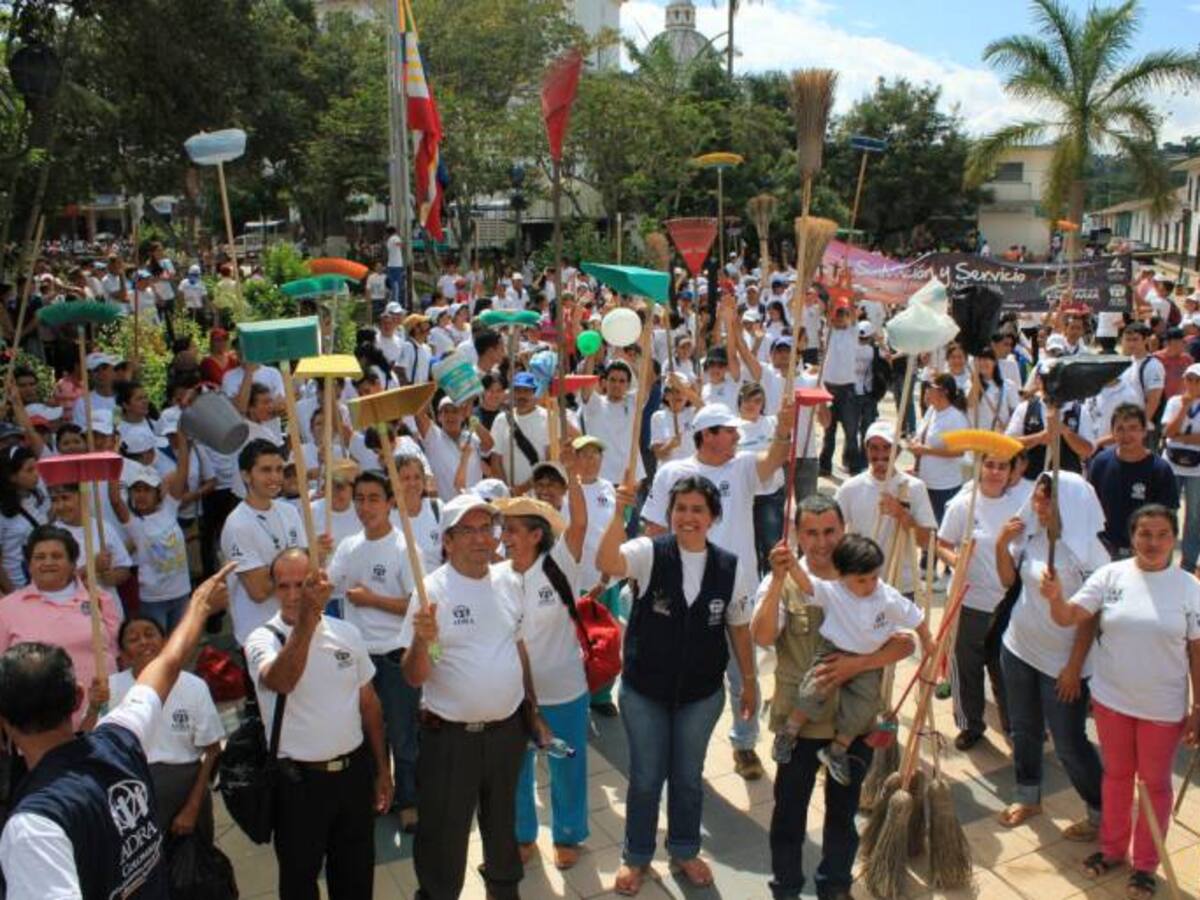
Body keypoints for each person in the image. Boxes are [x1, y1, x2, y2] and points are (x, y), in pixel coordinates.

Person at [0, 561, 232, 899]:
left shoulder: (34, 827)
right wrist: (198, 605)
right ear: (79, 695)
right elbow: (168, 665)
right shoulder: (119, 740)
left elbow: (165, 666)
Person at [596, 476, 756, 895]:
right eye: (680, 508)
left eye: (697, 509)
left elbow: (739, 628)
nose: (688, 517)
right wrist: (619, 513)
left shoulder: (729, 566)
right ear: (669, 514)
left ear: (713, 517)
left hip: (701, 695)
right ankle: (636, 856)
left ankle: (684, 849)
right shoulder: (650, 553)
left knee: (687, 777)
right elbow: (608, 563)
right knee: (647, 778)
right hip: (644, 691)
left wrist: (750, 683)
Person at [751, 495, 916, 900]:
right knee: (789, 811)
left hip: (854, 720)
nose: (821, 542)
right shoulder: (788, 581)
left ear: (844, 530)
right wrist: (776, 581)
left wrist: (857, 666)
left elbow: (904, 645)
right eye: (811, 533)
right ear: (797, 536)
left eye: (830, 531)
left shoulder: (865, 576)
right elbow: (762, 635)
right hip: (802, 720)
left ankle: (835, 886)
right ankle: (786, 886)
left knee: (843, 813)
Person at [1039, 505, 1200, 900]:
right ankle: (1112, 849)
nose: (1153, 542)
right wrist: (1056, 597)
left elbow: (1197, 651)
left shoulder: (1189, 588)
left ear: (1174, 538)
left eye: (1163, 534)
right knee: (1116, 778)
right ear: (1132, 536)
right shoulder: (1110, 575)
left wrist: (1199, 708)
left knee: (1155, 785)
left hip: (1162, 708)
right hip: (1112, 701)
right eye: (1145, 534)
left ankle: (1146, 864)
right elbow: (1068, 617)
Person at [399, 493, 552, 900]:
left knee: (503, 825)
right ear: (448, 540)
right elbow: (415, 677)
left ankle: (504, 891)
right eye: (469, 530)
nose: (481, 539)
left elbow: (518, 648)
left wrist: (533, 712)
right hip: (450, 739)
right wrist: (421, 639)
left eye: (488, 528)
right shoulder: (430, 593)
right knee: (444, 833)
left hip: (507, 732)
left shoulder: (508, 579)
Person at [641, 401, 795, 780]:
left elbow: (773, 460)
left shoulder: (742, 466)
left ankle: (744, 744)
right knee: (683, 673)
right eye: (728, 430)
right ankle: (678, 747)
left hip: (736, 588)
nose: (737, 435)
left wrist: (784, 428)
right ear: (707, 435)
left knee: (744, 675)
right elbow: (654, 530)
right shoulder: (674, 472)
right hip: (685, 592)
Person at [245, 548, 392, 900]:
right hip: (299, 784)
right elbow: (281, 681)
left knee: (356, 876)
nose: (295, 595)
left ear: (320, 582)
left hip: (352, 775)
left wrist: (382, 770)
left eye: (303, 584)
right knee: (299, 880)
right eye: (285, 586)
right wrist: (307, 623)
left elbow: (369, 705)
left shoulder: (347, 634)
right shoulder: (262, 640)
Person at [995, 472, 1107, 838]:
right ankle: (1028, 794)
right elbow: (1008, 581)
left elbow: (1091, 618)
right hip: (1019, 648)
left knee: (1069, 742)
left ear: (1070, 503)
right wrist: (1000, 545)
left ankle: (1101, 811)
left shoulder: (1090, 553)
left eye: (1046, 499)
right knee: (1023, 729)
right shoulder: (1032, 536)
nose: (1037, 506)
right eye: (1038, 498)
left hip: (1063, 664)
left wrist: (1074, 667)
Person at [769, 533, 931, 783]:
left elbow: (915, 617)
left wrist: (928, 641)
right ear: (842, 576)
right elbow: (806, 584)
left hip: (868, 661)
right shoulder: (833, 591)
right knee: (812, 690)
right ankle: (789, 732)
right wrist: (790, 564)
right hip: (833, 652)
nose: (870, 585)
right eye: (861, 580)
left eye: (874, 577)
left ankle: (836, 750)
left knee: (864, 707)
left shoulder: (886, 595)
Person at [495, 481, 589, 870]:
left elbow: (579, 525)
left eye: (513, 530)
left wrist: (573, 474)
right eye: (504, 529)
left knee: (566, 765)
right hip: (512, 697)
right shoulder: (495, 575)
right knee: (516, 772)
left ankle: (567, 835)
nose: (505, 538)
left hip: (564, 691)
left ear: (537, 535)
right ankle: (522, 835)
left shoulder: (559, 564)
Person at [327, 470, 419, 833]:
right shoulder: (348, 547)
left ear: (390, 502)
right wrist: (316, 560)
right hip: (357, 660)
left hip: (395, 656)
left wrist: (372, 600)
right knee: (365, 733)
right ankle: (376, 791)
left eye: (373, 499)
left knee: (402, 734)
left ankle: (409, 798)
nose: (365, 507)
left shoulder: (403, 547)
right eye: (360, 498)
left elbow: (416, 605)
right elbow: (325, 585)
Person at [107, 616, 224, 852]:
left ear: (166, 641)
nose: (143, 642)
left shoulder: (193, 686)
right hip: (132, 794)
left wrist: (192, 807)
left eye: (150, 634)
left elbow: (211, 751)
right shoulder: (110, 688)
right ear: (123, 653)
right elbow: (89, 738)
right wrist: (92, 705)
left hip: (185, 790)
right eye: (133, 638)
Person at [938, 451, 1028, 749]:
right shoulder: (964, 505)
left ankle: (1014, 725)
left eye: (1002, 466)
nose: (995, 471)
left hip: (1007, 604)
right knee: (966, 666)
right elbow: (942, 543)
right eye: (989, 465)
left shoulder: (1019, 508)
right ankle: (970, 724)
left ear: (1011, 471)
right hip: (969, 599)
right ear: (979, 467)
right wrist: (956, 560)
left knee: (1005, 667)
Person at [0, 525, 121, 730]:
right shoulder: (7, 608)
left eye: (56, 556)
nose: (48, 562)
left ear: (73, 564)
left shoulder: (99, 599)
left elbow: (115, 652)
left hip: (103, 720)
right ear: (29, 565)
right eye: (40, 557)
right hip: (36, 730)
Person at [219, 439, 308, 645]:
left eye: (279, 469)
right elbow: (258, 591)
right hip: (261, 636)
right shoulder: (237, 525)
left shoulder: (289, 511)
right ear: (246, 475)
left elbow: (306, 569)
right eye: (266, 470)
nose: (275, 477)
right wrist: (302, 561)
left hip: (295, 627)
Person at [834, 421, 936, 598]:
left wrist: (901, 514)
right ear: (866, 450)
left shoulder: (914, 487)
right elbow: (833, 535)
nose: (880, 454)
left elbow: (927, 541)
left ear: (897, 451)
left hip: (901, 586)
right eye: (874, 448)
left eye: (887, 447)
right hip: (861, 583)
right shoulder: (850, 488)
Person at [108, 435, 193, 633]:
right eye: (136, 490)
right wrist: (113, 460)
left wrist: (183, 437)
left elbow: (182, 472)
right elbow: (115, 500)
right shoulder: (135, 524)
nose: (141, 495)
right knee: (158, 649)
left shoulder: (170, 508)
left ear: (158, 493)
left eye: (147, 490)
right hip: (153, 600)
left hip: (181, 594)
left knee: (180, 646)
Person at [1087, 404, 1179, 558]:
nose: (1126, 434)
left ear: (1144, 431)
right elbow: (1089, 505)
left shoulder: (1160, 469)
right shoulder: (1100, 463)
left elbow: (1167, 517)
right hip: (1103, 548)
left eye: (1133, 428)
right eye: (1120, 429)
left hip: (1143, 552)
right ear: (1113, 433)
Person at [910, 373, 970, 524]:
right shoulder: (932, 411)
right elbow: (922, 434)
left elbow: (959, 451)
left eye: (931, 387)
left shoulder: (956, 418)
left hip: (944, 484)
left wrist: (926, 450)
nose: (927, 391)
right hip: (925, 480)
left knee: (939, 528)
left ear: (944, 392)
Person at [1162, 363, 1200, 571]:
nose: (1193, 384)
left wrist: (1182, 437)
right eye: (1190, 379)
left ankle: (1188, 563)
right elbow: (1168, 431)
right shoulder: (1175, 402)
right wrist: (1185, 407)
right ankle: (1164, 560)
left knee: (1194, 517)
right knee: (1168, 512)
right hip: (1172, 464)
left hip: (1197, 469)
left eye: (1197, 380)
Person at [0, 446, 50, 594]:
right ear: (11, 476)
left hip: (42, 583)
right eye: (29, 470)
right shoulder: (2, 512)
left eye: (36, 468)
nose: (37, 474)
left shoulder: (33, 499)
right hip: (19, 587)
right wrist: (12, 595)